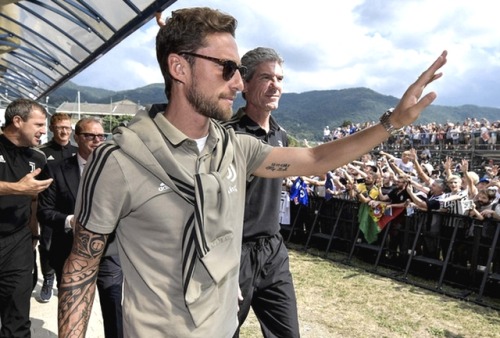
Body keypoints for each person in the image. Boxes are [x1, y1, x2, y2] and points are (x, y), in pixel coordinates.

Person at [57, 6, 447, 337]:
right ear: (179, 67)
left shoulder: (235, 148)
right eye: (227, 68)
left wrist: (392, 122)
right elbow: (81, 266)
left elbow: (314, 159)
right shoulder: (119, 159)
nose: (239, 82)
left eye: (240, 70)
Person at [223, 47, 299, 337]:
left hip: (273, 250)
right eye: (266, 77)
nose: (275, 85)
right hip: (234, 252)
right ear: (245, 83)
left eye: (279, 78)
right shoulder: (229, 136)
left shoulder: (280, 135)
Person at [37, 117, 123, 338]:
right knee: (72, 312)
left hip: (108, 252)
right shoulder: (55, 169)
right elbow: (44, 212)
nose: (97, 140)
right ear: (77, 138)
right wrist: (70, 221)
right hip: (68, 252)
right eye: (90, 136)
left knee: (114, 307)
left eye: (101, 136)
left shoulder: (116, 169)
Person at [0, 98, 53, 337]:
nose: (44, 130)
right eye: (39, 124)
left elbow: (33, 200)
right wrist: (15, 188)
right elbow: (22, 190)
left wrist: (34, 233)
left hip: (19, 242)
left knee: (18, 317)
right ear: (18, 121)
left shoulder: (38, 159)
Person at [36, 112, 78, 302]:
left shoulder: (77, 151)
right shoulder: (41, 153)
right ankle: (48, 278)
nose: (64, 131)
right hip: (49, 208)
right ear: (52, 128)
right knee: (46, 245)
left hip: (71, 209)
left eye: (67, 127)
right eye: (60, 127)